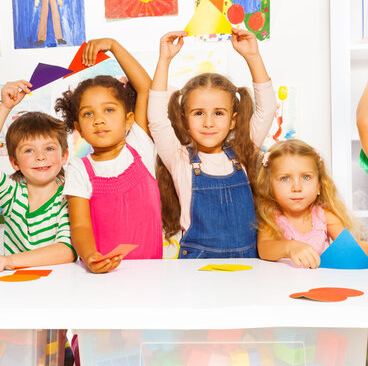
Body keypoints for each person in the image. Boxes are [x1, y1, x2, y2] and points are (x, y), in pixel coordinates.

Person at [149, 29, 277, 258]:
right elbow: (157, 120)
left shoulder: (243, 152)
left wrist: (253, 57)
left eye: (219, 113)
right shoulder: (179, 159)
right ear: (184, 119)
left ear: (232, 120)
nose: (208, 122)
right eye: (198, 113)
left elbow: (267, 110)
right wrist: (164, 60)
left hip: (248, 261)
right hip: (197, 263)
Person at [55, 38, 161, 274]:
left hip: (153, 273)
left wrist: (114, 46)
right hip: (102, 276)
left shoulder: (139, 147)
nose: (99, 119)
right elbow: (80, 225)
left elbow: (145, 88)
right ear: (79, 128)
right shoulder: (79, 168)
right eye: (88, 113)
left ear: (129, 119)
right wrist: (90, 256)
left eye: (109, 110)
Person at [0, 80, 75, 272]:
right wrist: (4, 107)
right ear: (14, 163)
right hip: (18, 289)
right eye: (28, 151)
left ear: (64, 156)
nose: (40, 156)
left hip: (59, 288)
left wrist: (9, 261)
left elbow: (66, 251)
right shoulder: (11, 195)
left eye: (49, 148)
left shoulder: (67, 198)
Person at [256, 139, 368, 268]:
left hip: (321, 284)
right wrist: (289, 247)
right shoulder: (271, 218)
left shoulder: (325, 216)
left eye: (306, 177)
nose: (297, 187)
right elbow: (264, 248)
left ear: (319, 186)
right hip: (286, 285)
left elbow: (350, 245)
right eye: (285, 178)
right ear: (269, 187)